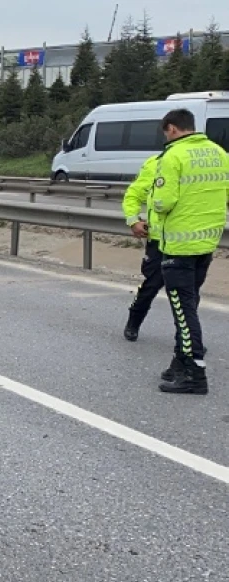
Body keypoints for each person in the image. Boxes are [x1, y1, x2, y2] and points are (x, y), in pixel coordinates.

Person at [150, 108, 229, 394]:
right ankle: (180, 363)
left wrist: (155, 206)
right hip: (207, 242)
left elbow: (163, 201)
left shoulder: (173, 156)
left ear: (171, 129)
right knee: (188, 306)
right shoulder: (220, 153)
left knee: (184, 312)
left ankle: (195, 373)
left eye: (165, 133)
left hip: (179, 245)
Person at [122, 153, 164, 342]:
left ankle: (189, 342)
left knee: (188, 294)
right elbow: (133, 195)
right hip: (160, 240)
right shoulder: (157, 163)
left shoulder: (204, 162)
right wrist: (133, 220)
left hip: (192, 243)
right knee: (152, 285)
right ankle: (134, 322)